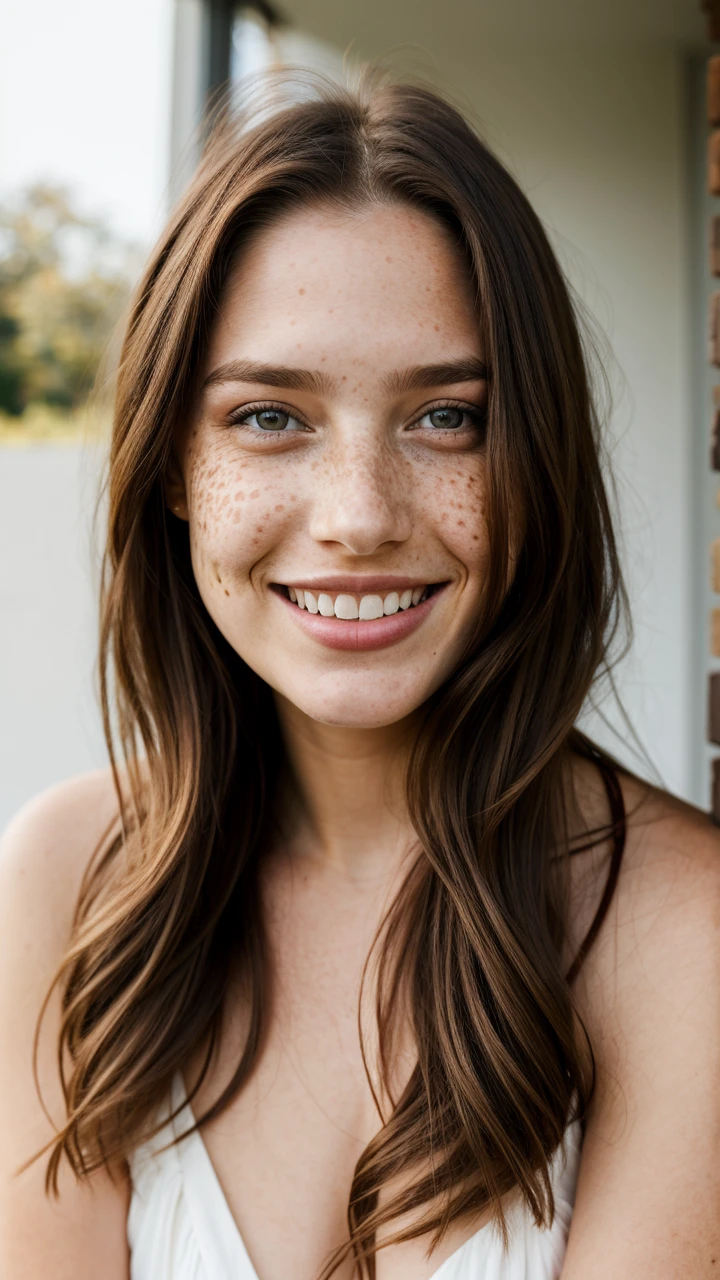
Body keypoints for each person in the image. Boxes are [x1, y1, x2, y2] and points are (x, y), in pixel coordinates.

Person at [0, 68, 718, 1280]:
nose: (360, 516)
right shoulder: (71, 876)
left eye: (446, 417)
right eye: (270, 417)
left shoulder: (684, 934)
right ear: (172, 464)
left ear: (533, 459)